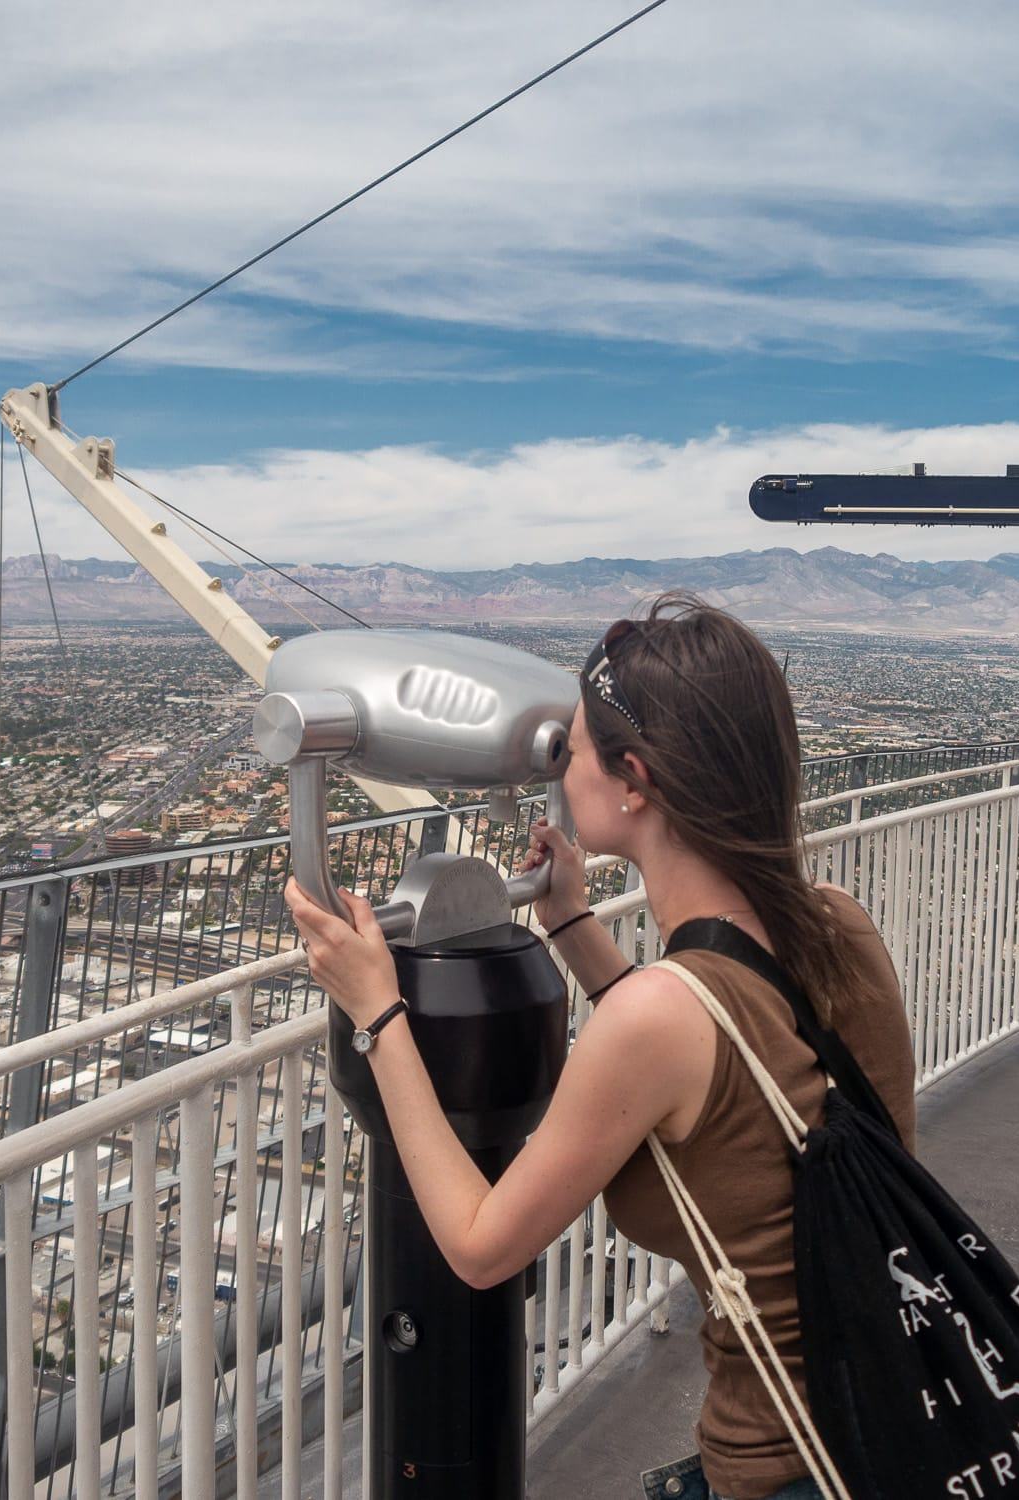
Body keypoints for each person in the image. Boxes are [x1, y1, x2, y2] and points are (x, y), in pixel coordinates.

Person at [283, 591, 917, 1500]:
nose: (560, 766)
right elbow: (725, 1057)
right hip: (894, 1417)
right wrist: (571, 920)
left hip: (789, 1469)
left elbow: (477, 1246)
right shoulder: (833, 924)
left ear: (633, 783)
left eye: (570, 750)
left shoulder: (658, 1022)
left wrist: (376, 1009)